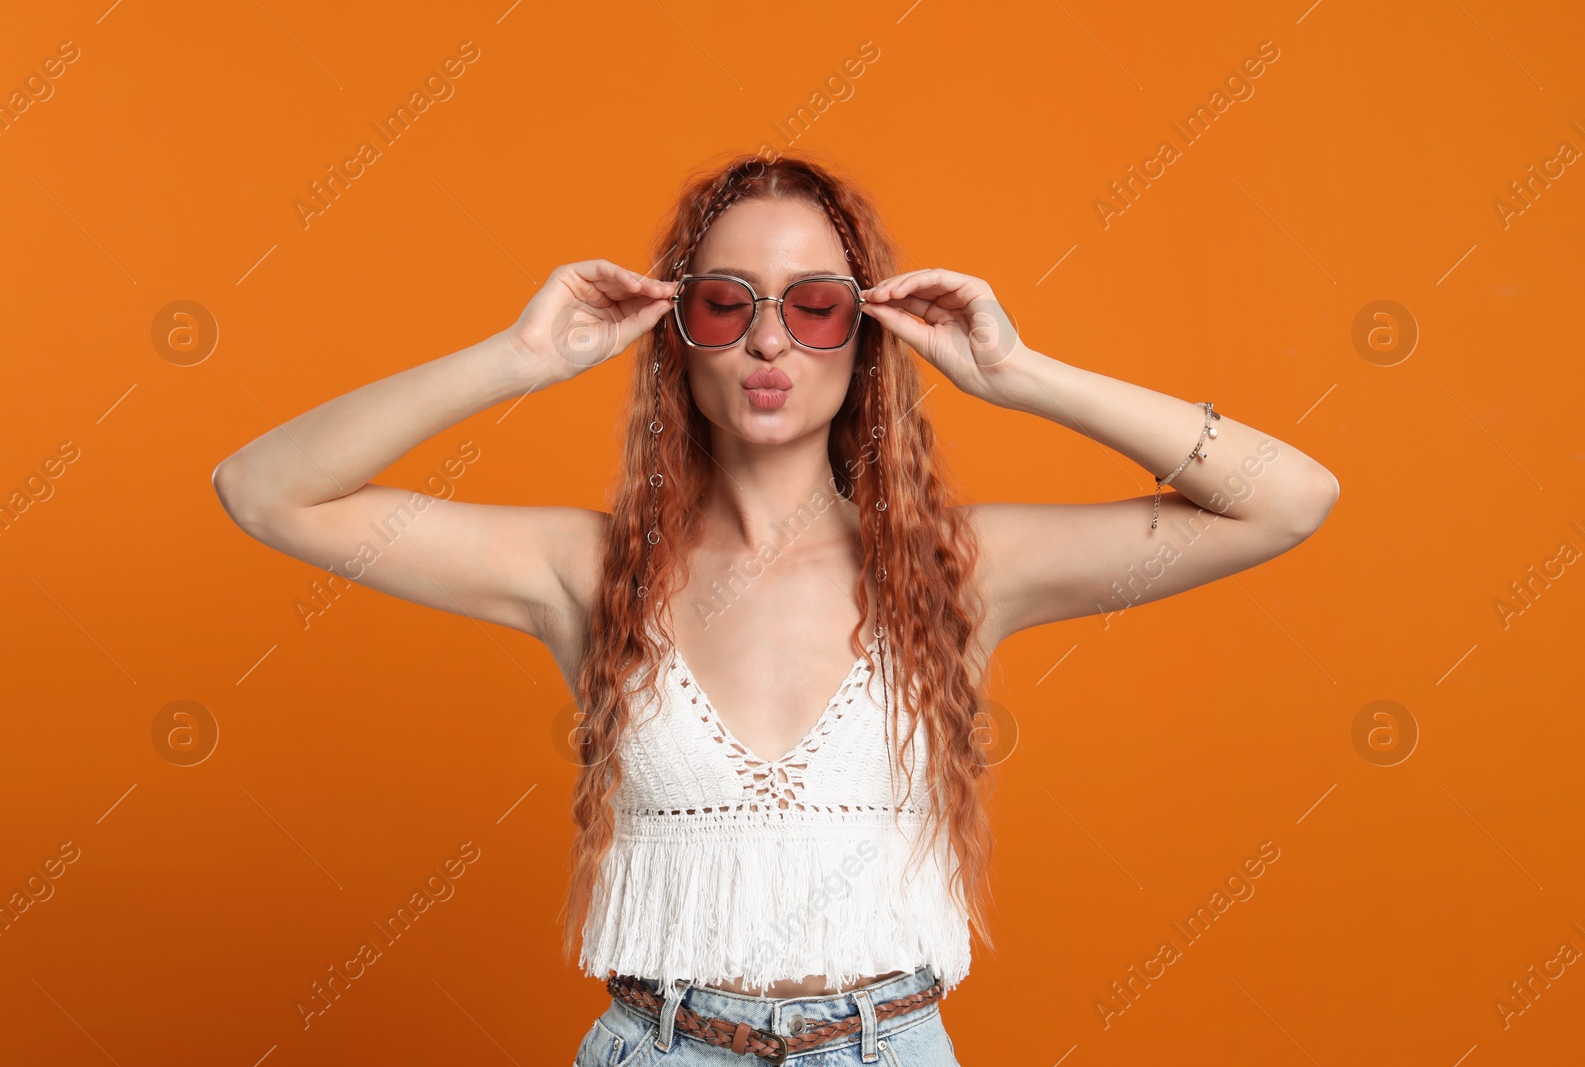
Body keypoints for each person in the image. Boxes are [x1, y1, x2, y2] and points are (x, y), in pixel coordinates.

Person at [211, 152, 1339, 1065]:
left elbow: (1287, 501)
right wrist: (516, 359)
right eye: (724, 301)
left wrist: (1021, 374)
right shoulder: (585, 569)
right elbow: (264, 490)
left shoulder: (958, 565)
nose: (767, 339)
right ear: (676, 331)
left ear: (867, 330)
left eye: (813, 305)